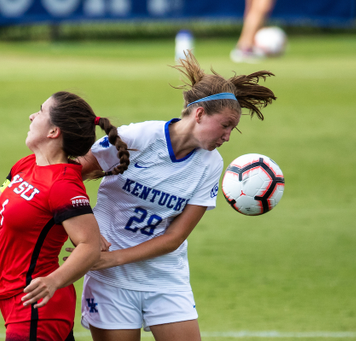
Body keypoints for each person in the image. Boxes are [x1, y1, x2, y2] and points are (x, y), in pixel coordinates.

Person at [78, 51, 276, 341]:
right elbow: (67, 179)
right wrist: (86, 234)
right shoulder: (137, 139)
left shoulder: (211, 164)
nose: (228, 137)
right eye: (225, 125)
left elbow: (174, 238)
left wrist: (114, 258)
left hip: (165, 280)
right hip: (110, 283)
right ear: (199, 114)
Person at [0, 91, 130, 341]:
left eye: (40, 111)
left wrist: (53, 280)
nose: (31, 116)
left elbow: (90, 245)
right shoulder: (25, 166)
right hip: (16, 300)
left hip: (38, 307)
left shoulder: (63, 185)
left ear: (53, 132)